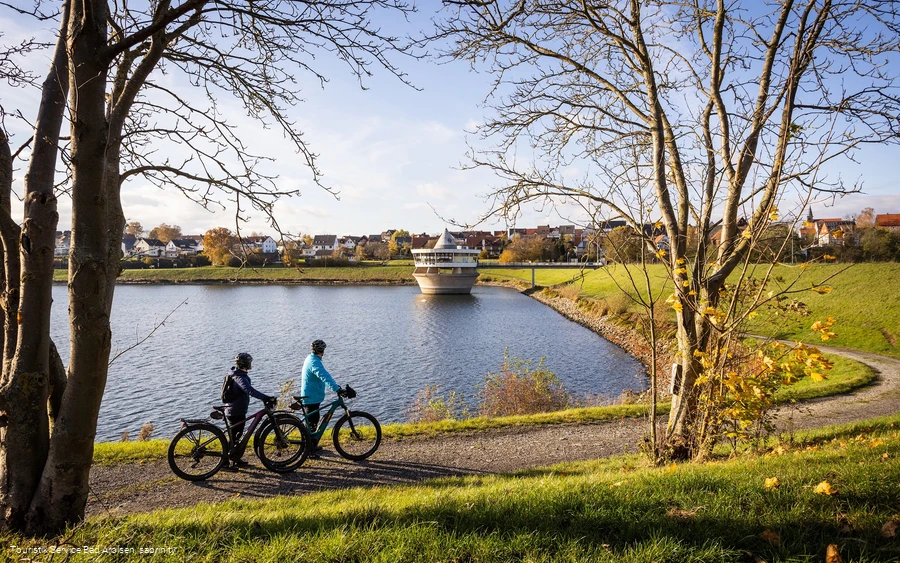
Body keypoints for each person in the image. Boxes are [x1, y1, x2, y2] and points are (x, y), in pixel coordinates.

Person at [223, 352, 275, 469]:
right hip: (235, 411)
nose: (251, 364)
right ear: (246, 364)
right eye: (250, 362)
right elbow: (249, 390)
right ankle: (224, 462)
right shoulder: (240, 377)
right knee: (234, 437)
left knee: (236, 436)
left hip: (235, 410)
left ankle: (235, 458)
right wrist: (265, 397)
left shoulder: (235, 373)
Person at [300, 340, 343, 455]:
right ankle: (308, 451)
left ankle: (311, 446)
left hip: (312, 395)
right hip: (311, 396)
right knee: (311, 424)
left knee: (312, 423)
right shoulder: (314, 362)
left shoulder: (312, 358)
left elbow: (324, 375)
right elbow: (324, 376)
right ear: (323, 351)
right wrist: (337, 389)